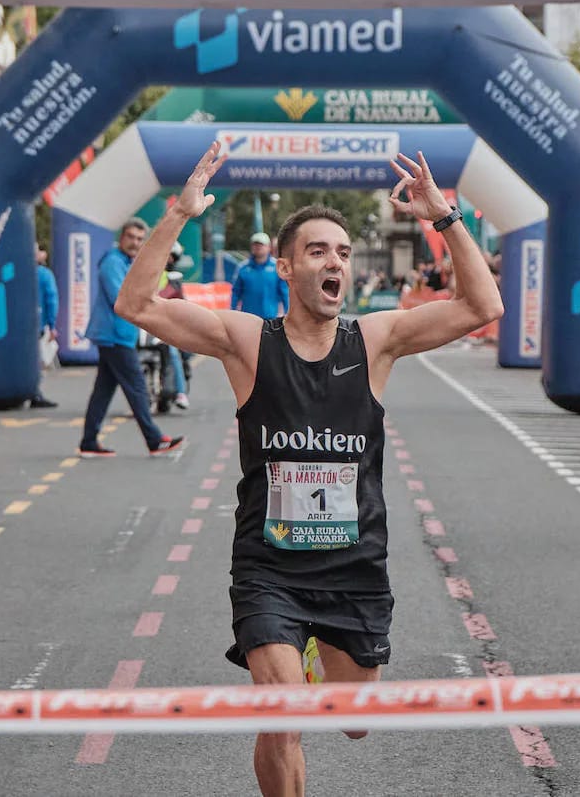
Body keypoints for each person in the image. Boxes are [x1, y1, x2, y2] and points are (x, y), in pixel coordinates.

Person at [115, 144, 503, 797]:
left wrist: (446, 219)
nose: (336, 263)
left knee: (352, 722)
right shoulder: (246, 342)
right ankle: (291, 673)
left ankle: (319, 658)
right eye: (320, 250)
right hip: (269, 563)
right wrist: (178, 214)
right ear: (288, 265)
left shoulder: (374, 341)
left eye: (345, 253)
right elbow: (137, 305)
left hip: (354, 563)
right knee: (283, 712)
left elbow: (480, 307)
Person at [76, 218, 184, 458]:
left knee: (103, 391)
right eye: (131, 237)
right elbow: (123, 299)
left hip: (120, 335)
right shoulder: (112, 263)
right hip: (113, 335)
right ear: (121, 237)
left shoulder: (127, 262)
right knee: (137, 387)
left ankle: (89, 442)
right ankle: (154, 440)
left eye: (139, 238)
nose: (135, 242)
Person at [159, 242, 191, 410]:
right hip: (148, 325)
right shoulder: (150, 274)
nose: (167, 258)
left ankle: (181, 392)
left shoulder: (175, 278)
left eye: (171, 255)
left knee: (173, 353)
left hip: (169, 325)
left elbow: (177, 299)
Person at [230, 231, 288, 319]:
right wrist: (232, 312)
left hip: (271, 319)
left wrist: (288, 313)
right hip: (248, 319)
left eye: (261, 244)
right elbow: (236, 293)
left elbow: (284, 292)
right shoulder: (243, 268)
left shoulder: (277, 267)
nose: (258, 247)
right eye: (255, 244)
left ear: (269, 247)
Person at [31, 244, 59, 408]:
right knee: (38, 360)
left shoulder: (16, 271)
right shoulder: (44, 274)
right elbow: (51, 299)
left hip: (17, 325)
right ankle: (35, 392)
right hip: (39, 322)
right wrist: (52, 324)